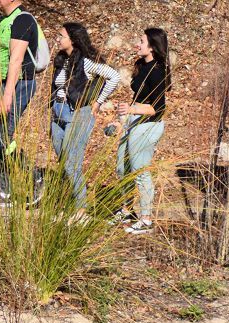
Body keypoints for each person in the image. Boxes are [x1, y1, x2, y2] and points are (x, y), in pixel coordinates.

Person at [49, 23, 120, 209]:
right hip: (58, 112)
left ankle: (81, 207)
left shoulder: (86, 61)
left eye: (61, 36)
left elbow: (114, 76)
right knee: (64, 159)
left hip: (78, 113)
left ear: (72, 40)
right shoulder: (61, 59)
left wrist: (98, 102)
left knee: (72, 162)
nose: (58, 39)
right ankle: (69, 199)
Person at [0, 0, 44, 203]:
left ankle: (35, 176)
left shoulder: (22, 20)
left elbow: (16, 59)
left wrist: (7, 95)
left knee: (3, 137)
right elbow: (0, 57)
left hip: (19, 84)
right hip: (4, 83)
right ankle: (3, 192)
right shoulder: (5, 20)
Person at [115, 28, 171, 234]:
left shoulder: (158, 71)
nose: (137, 44)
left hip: (148, 124)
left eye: (141, 41)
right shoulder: (141, 65)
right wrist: (123, 120)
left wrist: (132, 110)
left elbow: (158, 108)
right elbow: (136, 99)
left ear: (152, 46)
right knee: (122, 168)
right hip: (133, 120)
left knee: (140, 171)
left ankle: (146, 219)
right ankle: (126, 211)